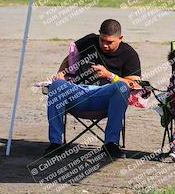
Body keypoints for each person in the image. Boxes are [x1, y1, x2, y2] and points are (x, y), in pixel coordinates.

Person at [45, 19, 141, 159]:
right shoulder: (89, 41)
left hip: (105, 98)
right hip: (78, 93)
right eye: (102, 40)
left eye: (110, 42)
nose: (105, 45)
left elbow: (136, 84)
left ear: (120, 38)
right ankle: (55, 143)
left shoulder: (129, 54)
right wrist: (61, 73)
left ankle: (111, 144)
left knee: (121, 87)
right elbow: (69, 57)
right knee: (57, 85)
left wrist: (110, 76)